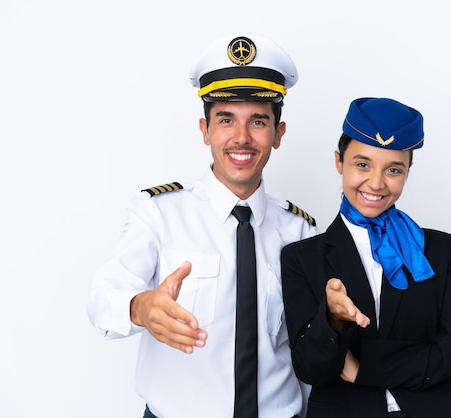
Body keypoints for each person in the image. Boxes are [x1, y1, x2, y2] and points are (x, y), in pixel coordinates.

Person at [87, 34, 317, 418]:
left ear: (278, 134)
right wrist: (142, 307)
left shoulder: (301, 232)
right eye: (226, 119)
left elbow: (308, 352)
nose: (241, 138)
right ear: (205, 130)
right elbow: (102, 296)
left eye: (258, 121)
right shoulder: (159, 213)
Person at [281, 97, 451, 417]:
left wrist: (364, 368)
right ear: (339, 161)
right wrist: (330, 322)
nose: (376, 183)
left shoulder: (441, 250)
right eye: (363, 164)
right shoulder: (301, 257)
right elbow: (310, 368)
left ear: (407, 171)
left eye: (393, 170)